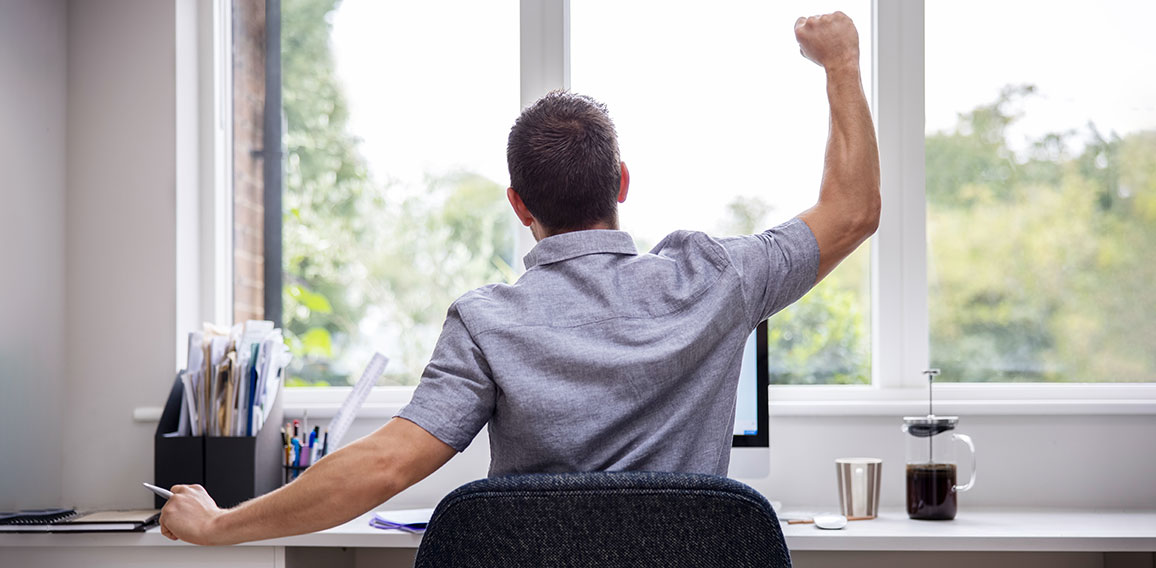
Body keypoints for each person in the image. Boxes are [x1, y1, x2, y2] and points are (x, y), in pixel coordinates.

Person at [159, 11, 879, 545]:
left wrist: (221, 524)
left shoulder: (486, 322)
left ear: (518, 205)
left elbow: (386, 465)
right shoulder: (716, 277)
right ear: (621, 182)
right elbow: (853, 211)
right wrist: (842, 61)